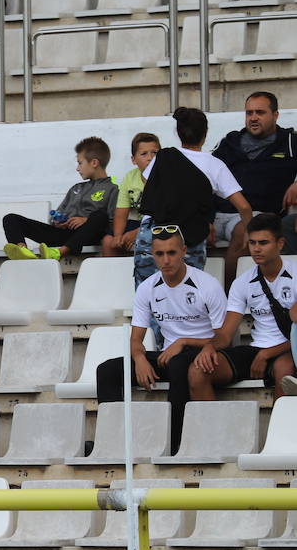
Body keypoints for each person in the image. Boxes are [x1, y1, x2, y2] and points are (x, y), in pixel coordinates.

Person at [97, 226, 227, 451]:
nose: (166, 260)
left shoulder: (207, 284)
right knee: (107, 370)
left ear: (184, 251)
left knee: (177, 364)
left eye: (172, 253)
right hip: (170, 355)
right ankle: (114, 442)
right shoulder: (148, 288)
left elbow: (224, 338)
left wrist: (184, 342)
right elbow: (136, 338)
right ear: (152, 255)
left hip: (203, 353)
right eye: (159, 254)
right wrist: (139, 360)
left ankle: (175, 444)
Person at [136, 107, 251, 286]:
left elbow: (146, 179)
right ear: (205, 133)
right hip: (188, 236)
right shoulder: (214, 165)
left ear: (178, 132)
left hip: (152, 235)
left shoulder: (163, 157)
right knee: (189, 295)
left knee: (149, 293)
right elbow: (243, 206)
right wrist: (248, 233)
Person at [189, 213, 296, 402]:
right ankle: (215, 431)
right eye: (252, 243)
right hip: (256, 349)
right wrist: (209, 347)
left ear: (280, 244)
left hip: (289, 349)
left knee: (284, 370)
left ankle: (280, 430)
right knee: (198, 370)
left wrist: (267, 354)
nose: (256, 249)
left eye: (263, 243)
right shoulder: (242, 282)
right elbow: (225, 334)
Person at [212, 91, 297, 288]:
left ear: (275, 115)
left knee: (245, 231)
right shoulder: (229, 142)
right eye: (249, 113)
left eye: (260, 112)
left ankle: (230, 300)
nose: (253, 118)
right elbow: (204, 176)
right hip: (215, 214)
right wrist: (205, 218)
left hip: (256, 215)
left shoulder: (291, 142)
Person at [3, 137, 118, 260]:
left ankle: (60, 252)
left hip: (87, 236)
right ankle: (22, 251)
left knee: (100, 216)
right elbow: (58, 215)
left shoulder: (112, 189)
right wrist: (58, 222)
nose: (77, 168)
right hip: (63, 235)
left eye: (80, 163)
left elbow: (113, 224)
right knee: (10, 218)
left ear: (94, 163)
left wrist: (86, 221)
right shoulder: (76, 188)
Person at [105, 132, 160, 257]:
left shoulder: (165, 177)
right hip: (138, 223)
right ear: (133, 160)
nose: (150, 157)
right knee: (108, 241)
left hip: (160, 223)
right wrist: (118, 236)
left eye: (155, 153)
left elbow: (164, 215)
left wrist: (136, 233)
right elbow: (121, 212)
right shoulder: (130, 177)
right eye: (144, 154)